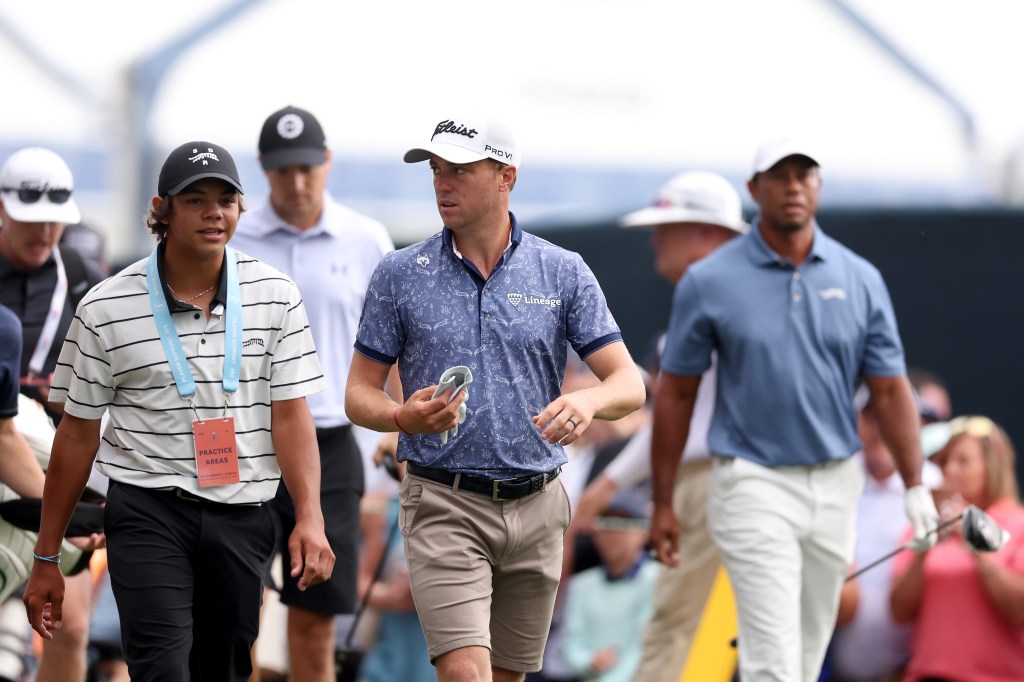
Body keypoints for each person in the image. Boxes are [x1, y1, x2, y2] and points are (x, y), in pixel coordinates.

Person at [345, 113, 646, 682]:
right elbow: (359, 393)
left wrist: (587, 403)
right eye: (437, 170)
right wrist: (399, 415)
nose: (442, 184)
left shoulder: (563, 271)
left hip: (538, 506)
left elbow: (630, 384)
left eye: (459, 170)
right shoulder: (398, 273)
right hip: (443, 502)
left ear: (506, 175)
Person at [22, 140, 335, 681]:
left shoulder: (276, 295)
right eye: (194, 199)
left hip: (244, 511)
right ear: (161, 209)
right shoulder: (103, 306)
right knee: (161, 670)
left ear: (240, 208)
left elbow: (291, 415)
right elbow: (77, 435)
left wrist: (309, 517)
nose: (213, 211)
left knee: (224, 669)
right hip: (147, 511)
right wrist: (47, 556)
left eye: (225, 199)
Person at [649, 139, 940, 682]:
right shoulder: (708, 280)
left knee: (805, 655)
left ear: (819, 186)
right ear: (755, 189)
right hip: (751, 481)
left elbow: (891, 389)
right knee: (772, 653)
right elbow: (676, 394)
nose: (793, 187)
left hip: (836, 484)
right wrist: (663, 501)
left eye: (804, 174)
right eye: (779, 176)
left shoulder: (860, 278)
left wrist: (916, 482)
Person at [232, 104, 394, 682]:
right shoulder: (233, 235)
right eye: (282, 171)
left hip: (330, 445)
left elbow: (391, 343)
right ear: (263, 169)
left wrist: (395, 428)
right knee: (233, 617)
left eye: (307, 168)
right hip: (242, 443)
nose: (296, 183)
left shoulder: (365, 239)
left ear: (327, 161)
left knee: (315, 619)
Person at [586, 170, 747, 682]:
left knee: (675, 628)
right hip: (738, 485)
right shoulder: (747, 292)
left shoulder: (715, 294)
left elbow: (684, 419)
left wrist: (611, 483)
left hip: (717, 485)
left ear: (706, 231)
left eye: (669, 226)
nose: (657, 239)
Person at [0, 146, 106, 682]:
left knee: (68, 625)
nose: (43, 233)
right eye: (30, 220)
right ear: (2, 210)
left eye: (54, 222)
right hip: (3, 452)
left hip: (58, 459)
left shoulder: (85, 277)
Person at [890, 415, 1024, 682]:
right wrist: (925, 548)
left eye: (963, 461)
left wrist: (975, 542)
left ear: (992, 465)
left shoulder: (1018, 523)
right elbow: (899, 612)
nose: (950, 470)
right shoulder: (928, 524)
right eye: (944, 461)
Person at [828, 388, 944, 682]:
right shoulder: (831, 479)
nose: (881, 428)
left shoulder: (936, 485)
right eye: (870, 418)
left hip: (910, 668)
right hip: (830, 663)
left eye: (891, 418)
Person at [561, 488, 659, 682]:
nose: (614, 532)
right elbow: (571, 646)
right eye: (605, 522)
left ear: (645, 533)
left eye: (625, 522)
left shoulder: (658, 580)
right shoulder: (581, 585)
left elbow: (645, 648)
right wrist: (589, 661)